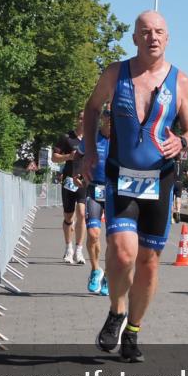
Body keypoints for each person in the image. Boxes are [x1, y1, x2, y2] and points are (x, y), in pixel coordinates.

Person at [81, 11, 188, 362]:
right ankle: (116, 311)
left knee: (148, 261)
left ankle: (133, 331)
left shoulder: (181, 82)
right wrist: (89, 152)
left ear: (168, 37)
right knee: (121, 252)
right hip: (121, 176)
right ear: (134, 38)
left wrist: (182, 142)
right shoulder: (115, 73)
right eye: (145, 32)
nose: (153, 37)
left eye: (160, 31)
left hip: (160, 181)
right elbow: (91, 109)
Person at [77, 106, 112, 296]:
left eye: (113, 116)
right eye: (107, 115)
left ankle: (107, 276)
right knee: (93, 234)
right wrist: (77, 172)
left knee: (114, 240)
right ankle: (95, 270)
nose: (109, 120)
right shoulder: (92, 137)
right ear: (102, 119)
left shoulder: (122, 140)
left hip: (116, 191)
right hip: (95, 188)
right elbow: (78, 155)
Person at [52, 113, 87, 265]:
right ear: (76, 120)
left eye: (85, 118)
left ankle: (79, 250)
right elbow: (54, 157)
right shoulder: (67, 137)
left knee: (81, 213)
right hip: (68, 180)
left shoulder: (91, 138)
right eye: (80, 118)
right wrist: (69, 157)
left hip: (84, 180)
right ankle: (68, 248)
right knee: (69, 217)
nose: (82, 121)